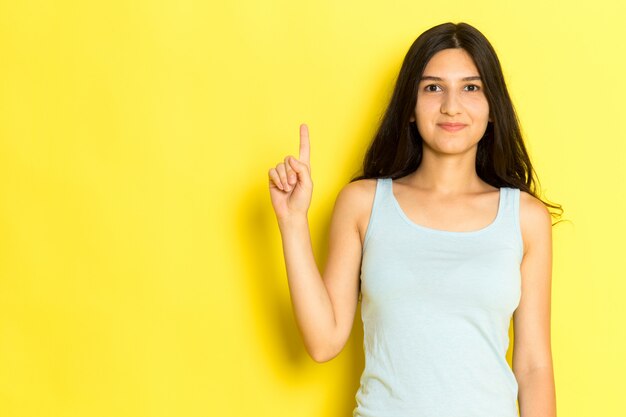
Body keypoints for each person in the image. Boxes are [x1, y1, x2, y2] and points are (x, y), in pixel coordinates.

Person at [267, 22, 560, 417]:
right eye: (433, 87)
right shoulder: (363, 204)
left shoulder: (525, 218)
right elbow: (324, 342)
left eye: (471, 87)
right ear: (409, 106)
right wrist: (292, 222)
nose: (451, 106)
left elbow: (534, 364)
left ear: (493, 108)